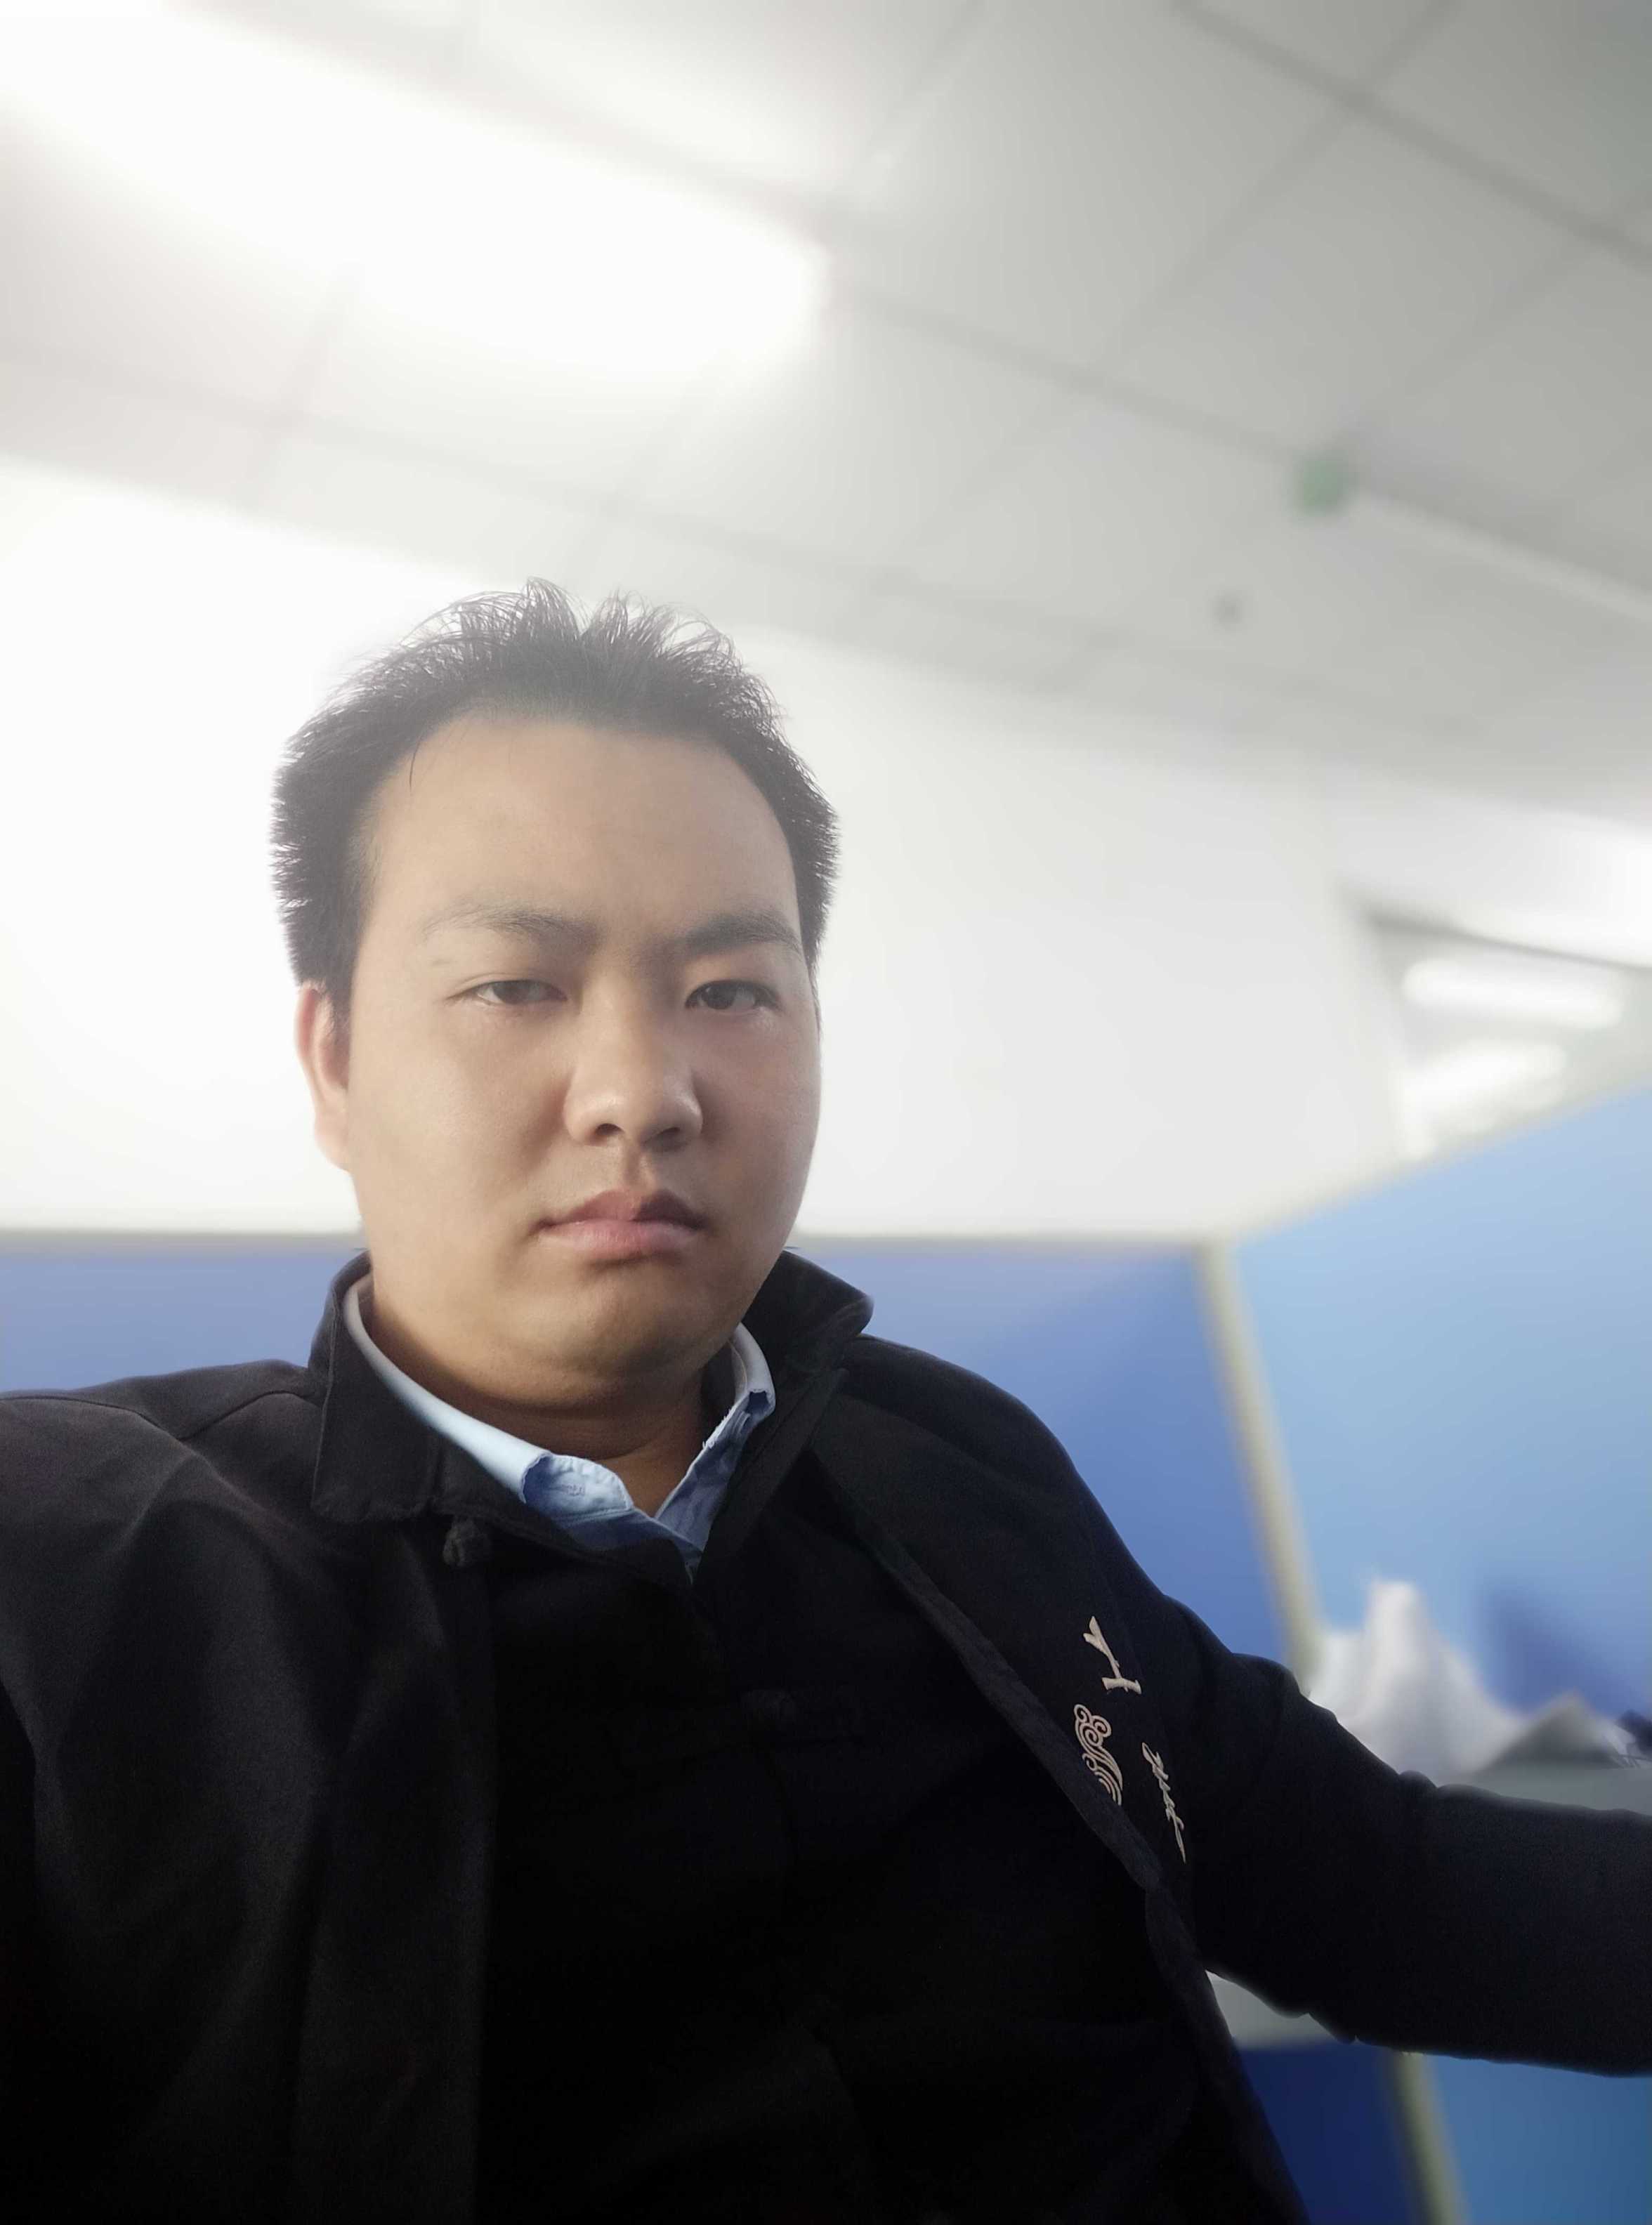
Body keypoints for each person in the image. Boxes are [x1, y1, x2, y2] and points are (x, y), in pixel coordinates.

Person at [0, 582, 1646, 2225]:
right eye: (515, 984)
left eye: (730, 989)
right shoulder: (84, 1584)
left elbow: (1375, 1882)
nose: (643, 1092)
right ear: (336, 1062)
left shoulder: (957, 1468)